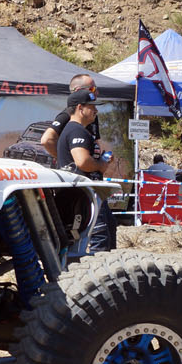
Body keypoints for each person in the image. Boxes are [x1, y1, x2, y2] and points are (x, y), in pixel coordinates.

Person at [56, 91, 115, 252]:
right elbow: (82, 161)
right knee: (99, 239)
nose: (96, 111)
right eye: (92, 107)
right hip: (85, 195)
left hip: (85, 193)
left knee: (106, 233)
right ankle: (99, 274)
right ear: (80, 108)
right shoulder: (76, 130)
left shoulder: (78, 130)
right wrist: (100, 164)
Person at [40, 73, 102, 161]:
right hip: (74, 173)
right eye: (92, 88)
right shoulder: (67, 115)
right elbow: (46, 140)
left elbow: (95, 141)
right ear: (78, 90)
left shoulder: (92, 114)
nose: (97, 92)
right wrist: (67, 160)